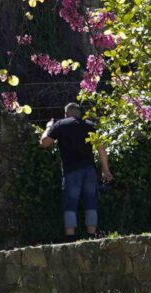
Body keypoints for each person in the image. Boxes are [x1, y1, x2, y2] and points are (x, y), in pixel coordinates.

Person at [41, 101, 111, 239]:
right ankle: (92, 234)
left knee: (70, 203)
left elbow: (44, 143)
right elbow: (101, 149)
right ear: (80, 114)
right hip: (89, 170)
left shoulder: (60, 125)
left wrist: (48, 127)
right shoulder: (90, 125)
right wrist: (105, 170)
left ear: (65, 114)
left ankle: (70, 237)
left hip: (71, 170)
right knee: (91, 201)